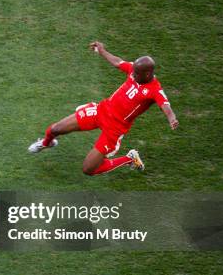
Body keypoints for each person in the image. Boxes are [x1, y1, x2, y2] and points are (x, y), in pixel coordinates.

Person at [28, 41, 179, 175]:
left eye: (136, 73)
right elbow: (117, 62)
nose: (132, 73)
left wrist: (171, 118)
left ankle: (129, 158)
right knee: (55, 129)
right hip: (101, 110)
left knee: (88, 169)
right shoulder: (135, 70)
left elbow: (165, 105)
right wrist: (101, 50)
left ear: (147, 73)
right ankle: (46, 143)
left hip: (114, 128)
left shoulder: (155, 89)